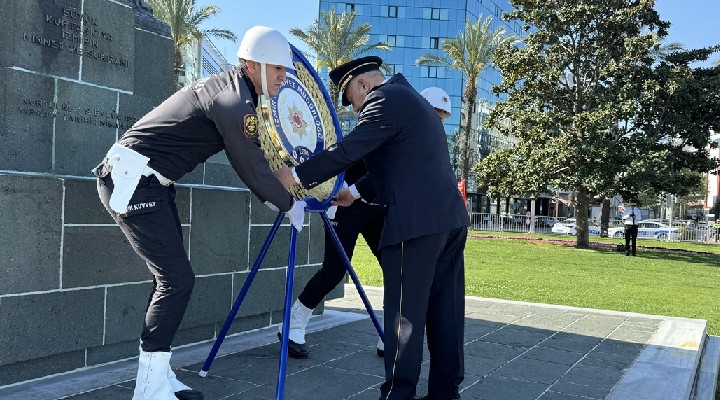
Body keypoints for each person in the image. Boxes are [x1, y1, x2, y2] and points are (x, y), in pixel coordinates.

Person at [92, 26, 306, 400]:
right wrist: (287, 203)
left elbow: (254, 158)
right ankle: (148, 389)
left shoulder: (236, 92)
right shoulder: (233, 100)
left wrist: (279, 188)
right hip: (131, 181)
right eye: (277, 70)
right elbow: (249, 164)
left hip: (149, 183)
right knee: (176, 282)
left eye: (284, 71)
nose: (282, 78)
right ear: (252, 65)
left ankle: (158, 375)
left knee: (170, 281)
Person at [274, 56, 469, 400]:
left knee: (404, 319)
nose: (355, 108)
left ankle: (397, 394)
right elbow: (402, 164)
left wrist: (297, 176)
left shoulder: (383, 99)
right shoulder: (415, 102)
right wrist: (356, 192)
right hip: (449, 221)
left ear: (362, 85)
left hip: (415, 225)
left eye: (352, 99)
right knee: (446, 312)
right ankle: (445, 392)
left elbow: (349, 150)